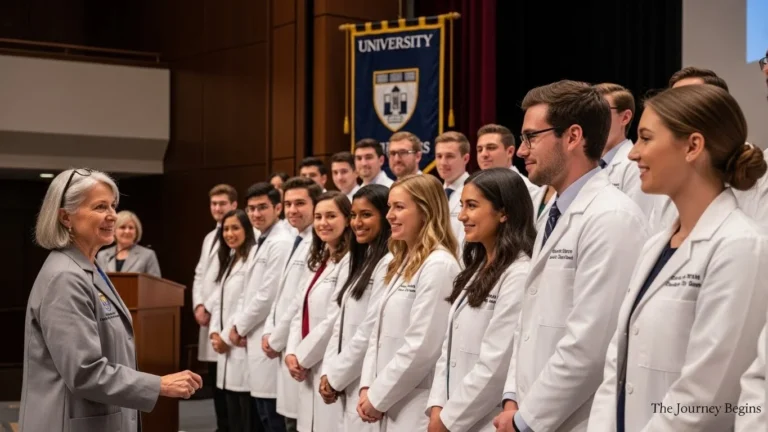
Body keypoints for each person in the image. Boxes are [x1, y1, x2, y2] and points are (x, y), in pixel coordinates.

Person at [587, 85, 768, 431]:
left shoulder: (742, 247)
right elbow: (617, 365)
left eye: (645, 138)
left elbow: (705, 397)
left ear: (693, 146)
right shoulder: (657, 245)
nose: (632, 154)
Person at [493, 80, 649, 432]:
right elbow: (528, 320)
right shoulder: (552, 212)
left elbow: (590, 345)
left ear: (573, 136)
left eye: (531, 137)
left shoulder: (612, 217)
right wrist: (513, 396)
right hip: (528, 409)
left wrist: (525, 419)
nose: (521, 150)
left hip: (576, 418)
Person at [19, 168, 202, 432]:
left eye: (113, 206)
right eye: (100, 206)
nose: (112, 215)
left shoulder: (89, 267)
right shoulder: (65, 278)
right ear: (65, 217)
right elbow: (84, 372)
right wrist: (159, 385)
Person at [427, 168, 535, 432]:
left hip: (486, 419)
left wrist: (448, 420)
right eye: (462, 205)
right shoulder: (476, 268)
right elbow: (448, 350)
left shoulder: (519, 273)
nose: (462, 215)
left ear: (504, 212)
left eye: (472, 206)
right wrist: (438, 410)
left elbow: (496, 365)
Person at [357, 174, 461, 431]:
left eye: (399, 207)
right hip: (384, 399)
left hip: (412, 405)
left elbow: (422, 347)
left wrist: (378, 396)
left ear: (425, 211)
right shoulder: (402, 260)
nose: (390, 215)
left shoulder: (439, 265)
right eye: (389, 207)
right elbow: (376, 335)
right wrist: (367, 387)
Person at [319, 185, 393, 432]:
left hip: (363, 382)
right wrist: (329, 372)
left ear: (385, 216)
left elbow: (369, 330)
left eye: (367, 215)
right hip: (344, 380)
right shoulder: (359, 258)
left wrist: (335, 377)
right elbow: (339, 323)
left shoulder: (388, 262)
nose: (357, 222)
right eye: (353, 215)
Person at [230, 182, 294, 432]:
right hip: (254, 337)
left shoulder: (281, 242)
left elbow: (267, 295)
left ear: (277, 208)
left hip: (265, 336)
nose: (256, 214)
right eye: (252, 209)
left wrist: (240, 326)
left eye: (262, 208)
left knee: (272, 418)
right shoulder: (262, 241)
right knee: (263, 414)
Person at [285, 191, 352, 432]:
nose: (323, 223)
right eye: (319, 216)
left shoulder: (351, 261)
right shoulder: (320, 259)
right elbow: (299, 309)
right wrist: (291, 351)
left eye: (331, 216)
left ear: (347, 219)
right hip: (306, 363)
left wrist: (301, 357)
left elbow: (335, 319)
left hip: (326, 363)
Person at [263, 177, 324, 432]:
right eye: (288, 204)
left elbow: (299, 302)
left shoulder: (316, 244)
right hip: (286, 344)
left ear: (315, 205)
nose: (292, 210)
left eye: (300, 203)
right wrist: (270, 331)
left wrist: (275, 339)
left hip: (298, 349)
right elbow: (281, 295)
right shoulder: (296, 239)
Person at [193, 184, 237, 431]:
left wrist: (208, 307)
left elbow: (227, 277)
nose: (217, 208)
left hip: (223, 315)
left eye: (222, 203)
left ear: (233, 205)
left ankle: (228, 426)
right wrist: (199, 304)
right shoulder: (210, 237)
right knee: (214, 379)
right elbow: (200, 273)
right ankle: (221, 426)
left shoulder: (239, 233)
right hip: (207, 316)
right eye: (214, 204)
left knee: (228, 380)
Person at [209, 209, 257, 432]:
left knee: (245, 416)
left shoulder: (251, 260)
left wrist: (225, 337)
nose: (229, 233)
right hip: (224, 348)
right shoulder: (229, 260)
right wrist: (214, 334)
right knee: (230, 414)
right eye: (226, 229)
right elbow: (218, 302)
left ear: (247, 230)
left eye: (235, 228)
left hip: (238, 344)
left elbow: (245, 303)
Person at [476, 124, 554, 229]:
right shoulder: (473, 188)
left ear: (510, 151)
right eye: (479, 149)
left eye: (491, 148)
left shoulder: (528, 190)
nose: (484, 154)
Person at [593, 83, 654, 217]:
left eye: (601, 112)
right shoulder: (590, 164)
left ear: (625, 117)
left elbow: (637, 220)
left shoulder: (636, 166)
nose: (593, 121)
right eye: (590, 113)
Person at [96, 210, 161, 277]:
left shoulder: (148, 255)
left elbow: (155, 285)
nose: (127, 231)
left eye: (131, 228)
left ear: (137, 231)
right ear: (114, 230)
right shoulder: (102, 255)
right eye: (122, 227)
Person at [434, 131, 470, 247]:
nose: (443, 162)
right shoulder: (434, 192)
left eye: (449, 156)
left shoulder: (475, 191)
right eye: (439, 156)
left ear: (465, 158)